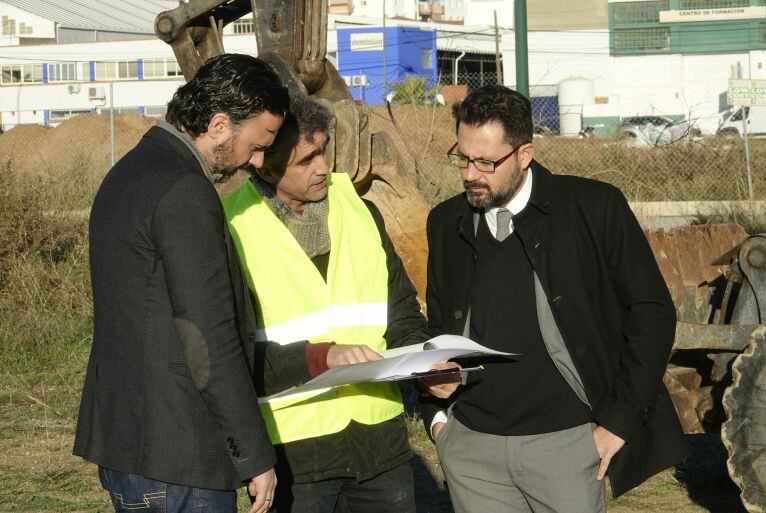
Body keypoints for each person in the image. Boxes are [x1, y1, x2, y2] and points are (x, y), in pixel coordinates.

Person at [421, 85, 688, 513]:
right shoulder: (445, 222)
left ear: (525, 155)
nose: (470, 173)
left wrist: (617, 424)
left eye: (486, 162)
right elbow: (437, 325)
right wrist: (439, 420)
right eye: (463, 157)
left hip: (567, 448)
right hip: (471, 452)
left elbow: (651, 314)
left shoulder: (593, 208)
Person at [73, 54, 290, 513]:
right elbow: (206, 337)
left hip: (130, 444)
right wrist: (254, 454)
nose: (258, 160)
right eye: (257, 144)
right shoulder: (184, 191)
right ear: (217, 125)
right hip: (179, 459)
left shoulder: (129, 172)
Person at [222, 93, 456, 513]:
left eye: (324, 149)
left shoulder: (361, 211)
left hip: (382, 446)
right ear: (267, 165)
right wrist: (324, 357)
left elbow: (400, 309)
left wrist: (423, 361)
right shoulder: (231, 228)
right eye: (306, 159)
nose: (323, 167)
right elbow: (231, 354)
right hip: (295, 457)